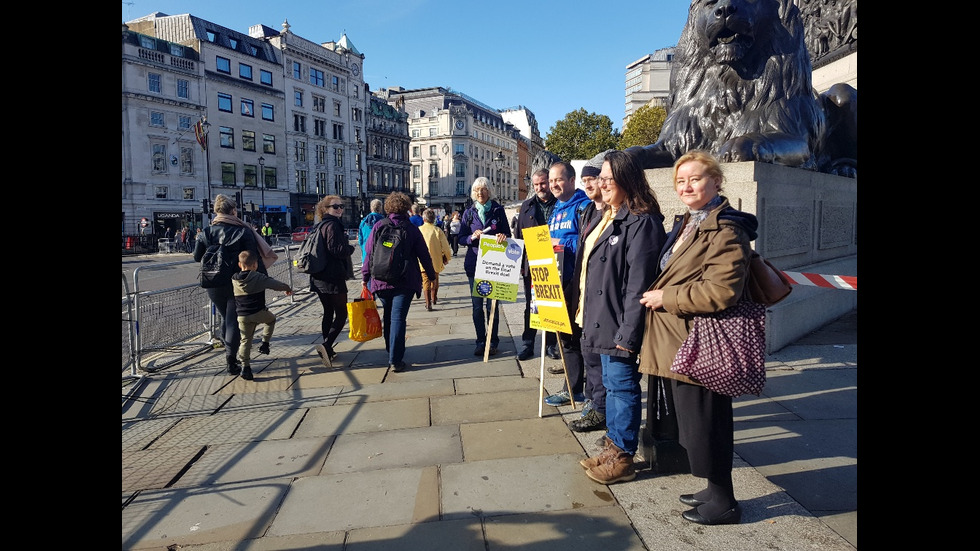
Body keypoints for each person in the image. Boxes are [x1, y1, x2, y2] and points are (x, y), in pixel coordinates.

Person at [638, 150, 758, 525]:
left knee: (708, 422)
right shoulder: (690, 220)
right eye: (681, 181)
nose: (687, 186)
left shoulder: (725, 229)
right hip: (679, 338)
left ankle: (724, 501)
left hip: (702, 340)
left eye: (695, 179)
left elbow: (722, 291)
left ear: (716, 182)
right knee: (695, 422)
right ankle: (712, 488)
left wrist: (665, 297)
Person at [575, 150, 666, 485]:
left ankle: (624, 457)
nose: (603, 184)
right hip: (600, 317)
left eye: (609, 179)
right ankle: (612, 446)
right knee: (610, 388)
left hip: (618, 321)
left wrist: (628, 333)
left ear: (628, 181)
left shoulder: (641, 221)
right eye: (602, 178)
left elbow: (637, 284)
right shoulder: (607, 216)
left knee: (622, 387)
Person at [194, 194, 278, 375]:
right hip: (237, 282)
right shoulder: (243, 231)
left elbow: (196, 257)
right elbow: (253, 258)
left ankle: (229, 352)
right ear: (233, 211)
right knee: (232, 321)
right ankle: (231, 363)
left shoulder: (206, 232)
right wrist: (262, 280)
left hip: (213, 282)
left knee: (226, 317)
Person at [361, 192, 436, 373]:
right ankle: (395, 359)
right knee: (398, 318)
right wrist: (431, 275)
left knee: (388, 316)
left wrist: (365, 277)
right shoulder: (411, 229)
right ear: (406, 208)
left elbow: (369, 253)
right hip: (405, 281)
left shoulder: (379, 226)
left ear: (388, 208)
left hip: (380, 280)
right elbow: (424, 255)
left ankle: (390, 350)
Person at [568, 149, 614, 433]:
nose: (588, 184)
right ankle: (595, 405)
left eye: (593, 178)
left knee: (609, 371)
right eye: (585, 179)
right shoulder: (588, 211)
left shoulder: (615, 214)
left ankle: (602, 412)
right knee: (591, 359)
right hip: (585, 298)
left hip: (604, 305)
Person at [543, 161, 590, 407]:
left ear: (572, 180)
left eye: (558, 180)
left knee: (574, 337)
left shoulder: (583, 207)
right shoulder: (557, 209)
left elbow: (586, 245)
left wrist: (558, 246)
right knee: (564, 336)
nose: (553, 185)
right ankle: (574, 388)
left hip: (574, 282)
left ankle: (575, 390)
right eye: (551, 182)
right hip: (556, 281)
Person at [458, 177, 511, 356]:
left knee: (492, 306)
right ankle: (480, 341)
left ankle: (492, 341)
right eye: (477, 190)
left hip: (493, 264)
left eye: (483, 189)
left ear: (489, 191)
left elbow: (508, 234)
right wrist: (472, 237)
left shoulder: (498, 210)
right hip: (474, 264)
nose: (480, 193)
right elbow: (461, 238)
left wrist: (502, 236)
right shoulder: (469, 213)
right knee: (477, 307)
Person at [512, 168, 557, 362]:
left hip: (556, 260)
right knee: (531, 305)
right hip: (532, 262)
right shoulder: (526, 205)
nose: (540, 187)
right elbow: (519, 235)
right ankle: (528, 344)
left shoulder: (560, 203)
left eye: (543, 183)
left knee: (553, 305)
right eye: (536, 184)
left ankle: (551, 345)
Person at [310, 195, 356, 368]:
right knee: (342, 314)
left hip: (318, 276)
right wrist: (349, 248)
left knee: (328, 312)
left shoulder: (319, 225)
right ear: (325, 209)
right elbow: (336, 250)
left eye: (341, 206)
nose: (339, 209)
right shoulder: (332, 225)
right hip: (332, 277)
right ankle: (327, 345)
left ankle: (328, 350)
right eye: (335, 206)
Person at [232, 250, 293, 380]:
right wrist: (287, 288)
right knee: (271, 320)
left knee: (245, 340)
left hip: (242, 315)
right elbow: (276, 285)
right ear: (255, 265)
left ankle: (245, 368)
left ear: (239, 264)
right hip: (258, 312)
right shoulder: (258, 277)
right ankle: (265, 344)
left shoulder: (234, 279)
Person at [418, 208, 453, 311]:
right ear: (433, 219)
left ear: (423, 219)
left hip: (422, 260)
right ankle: (434, 297)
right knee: (435, 279)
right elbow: (446, 246)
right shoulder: (437, 230)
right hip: (435, 259)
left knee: (425, 281)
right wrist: (446, 257)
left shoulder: (419, 230)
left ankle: (428, 302)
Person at [359, 199, 385, 266]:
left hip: (366, 253)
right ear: (380, 208)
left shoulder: (363, 222)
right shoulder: (384, 222)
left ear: (371, 208)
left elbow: (360, 240)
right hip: (380, 255)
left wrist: (364, 248)